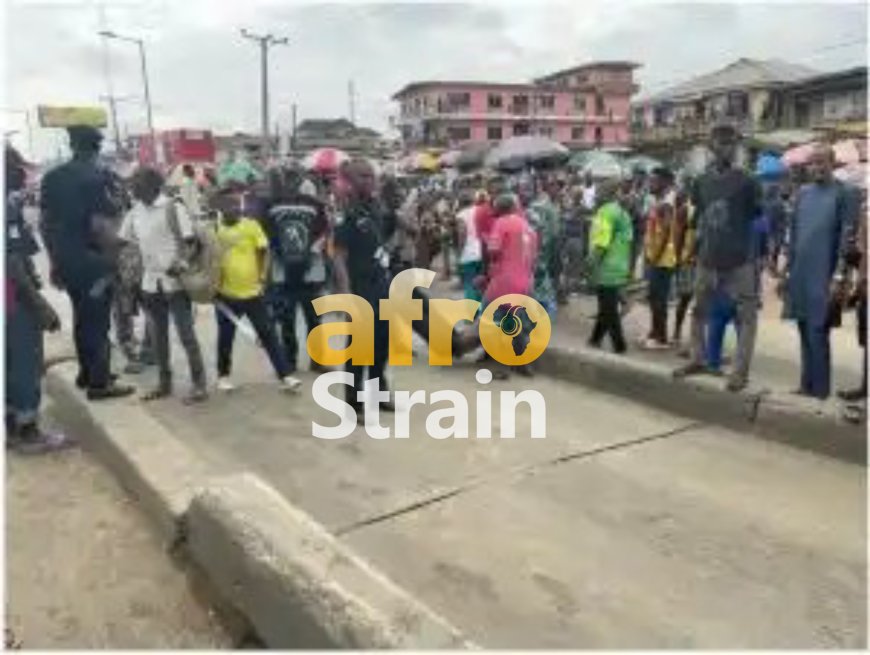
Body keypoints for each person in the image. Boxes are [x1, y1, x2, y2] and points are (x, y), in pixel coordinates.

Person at [39, 125, 134, 400]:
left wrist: (55, 261)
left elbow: (46, 224)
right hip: (94, 262)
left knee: (82, 318)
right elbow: (103, 223)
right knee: (98, 323)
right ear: (96, 147)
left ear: (72, 146)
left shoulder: (52, 178)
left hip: (66, 261)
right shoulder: (97, 177)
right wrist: (111, 261)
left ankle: (87, 373)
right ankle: (100, 383)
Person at [674, 124, 761, 392]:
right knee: (699, 311)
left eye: (729, 142)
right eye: (719, 142)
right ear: (711, 146)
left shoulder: (748, 181)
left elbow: (754, 216)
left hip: (739, 260)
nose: (724, 147)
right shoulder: (700, 181)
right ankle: (698, 358)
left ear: (736, 146)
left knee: (745, 317)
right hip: (707, 258)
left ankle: (740, 372)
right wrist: (693, 251)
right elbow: (699, 216)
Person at [119, 167, 208, 403]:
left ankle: (199, 384)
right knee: (159, 338)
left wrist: (180, 263)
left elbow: (191, 243)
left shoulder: (173, 207)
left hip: (176, 283)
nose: (133, 187)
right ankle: (164, 383)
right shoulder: (135, 212)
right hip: (150, 284)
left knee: (186, 335)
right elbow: (123, 242)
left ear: (152, 185)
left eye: (137, 183)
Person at [5, 145, 73, 453]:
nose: (23, 175)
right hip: (12, 297)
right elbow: (10, 261)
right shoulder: (7, 206)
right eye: (17, 168)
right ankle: (28, 432)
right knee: (23, 358)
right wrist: (39, 304)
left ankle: (13, 427)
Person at [781, 145, 857, 400]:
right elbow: (794, 234)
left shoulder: (846, 193)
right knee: (803, 327)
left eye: (821, 162)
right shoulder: (803, 193)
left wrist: (839, 276)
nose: (816, 168)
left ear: (832, 164)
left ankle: (821, 390)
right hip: (801, 271)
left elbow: (847, 239)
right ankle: (806, 384)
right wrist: (786, 270)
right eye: (812, 163)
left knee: (818, 330)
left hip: (825, 273)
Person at [214, 189, 301, 393]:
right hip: (225, 296)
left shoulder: (251, 226)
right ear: (221, 207)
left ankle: (286, 375)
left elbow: (264, 252)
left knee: (268, 334)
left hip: (253, 294)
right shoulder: (214, 230)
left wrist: (263, 279)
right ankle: (223, 376)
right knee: (225, 338)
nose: (236, 208)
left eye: (238, 204)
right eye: (231, 205)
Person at [332, 158, 394, 415]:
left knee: (382, 343)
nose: (369, 180)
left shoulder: (376, 208)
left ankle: (379, 393)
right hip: (359, 289)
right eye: (363, 176)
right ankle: (353, 401)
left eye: (371, 176)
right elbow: (338, 256)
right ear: (350, 181)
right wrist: (346, 296)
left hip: (381, 285)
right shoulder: (345, 214)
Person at [262, 166, 329, 373]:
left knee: (314, 318)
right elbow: (265, 234)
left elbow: (325, 230)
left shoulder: (314, 204)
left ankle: (317, 361)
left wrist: (312, 251)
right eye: (287, 177)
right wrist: (279, 254)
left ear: (300, 180)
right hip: (283, 272)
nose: (290, 182)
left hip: (310, 272)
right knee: (286, 319)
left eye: (294, 177)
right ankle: (290, 361)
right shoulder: (270, 205)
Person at [481, 192, 539, 379]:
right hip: (525, 281)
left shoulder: (501, 224)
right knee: (520, 322)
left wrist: (489, 269)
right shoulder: (527, 225)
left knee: (493, 320)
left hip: (504, 281)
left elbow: (493, 251)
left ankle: (501, 367)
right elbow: (534, 255)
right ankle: (523, 364)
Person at [587, 179, 633, 354]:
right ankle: (595, 338)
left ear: (606, 194)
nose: (596, 195)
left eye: (599, 192)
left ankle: (620, 345)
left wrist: (591, 264)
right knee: (606, 305)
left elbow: (601, 243)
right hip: (620, 265)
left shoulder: (605, 212)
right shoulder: (622, 212)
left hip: (606, 266)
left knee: (609, 309)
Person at [643, 167, 677, 349]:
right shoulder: (660, 201)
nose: (650, 184)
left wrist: (655, 256)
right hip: (656, 257)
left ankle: (661, 337)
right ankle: (655, 332)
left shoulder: (666, 204)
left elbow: (665, 233)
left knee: (658, 299)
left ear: (664, 182)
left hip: (662, 260)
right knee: (654, 297)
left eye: (654, 181)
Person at [672, 186, 696, 347]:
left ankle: (695, 338)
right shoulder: (685, 210)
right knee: (685, 299)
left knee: (702, 302)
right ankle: (677, 331)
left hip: (703, 262)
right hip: (687, 261)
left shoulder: (709, 209)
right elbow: (678, 236)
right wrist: (678, 259)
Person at [456, 190, 484, 304]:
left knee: (469, 283)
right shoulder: (480, 211)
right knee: (481, 283)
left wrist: (459, 251)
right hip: (482, 250)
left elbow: (462, 234)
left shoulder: (461, 215)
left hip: (468, 253)